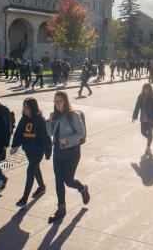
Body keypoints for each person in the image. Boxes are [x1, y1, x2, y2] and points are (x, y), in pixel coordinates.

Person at [46, 91, 90, 222]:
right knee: (58, 180)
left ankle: (82, 188)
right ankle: (61, 208)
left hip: (72, 152)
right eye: (55, 101)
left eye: (59, 100)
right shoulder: (56, 116)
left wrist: (68, 140)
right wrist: (49, 120)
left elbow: (81, 134)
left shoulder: (73, 115)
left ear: (65, 101)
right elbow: (49, 132)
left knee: (68, 181)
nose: (57, 103)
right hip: (58, 152)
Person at [11, 98, 52, 207]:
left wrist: (48, 152)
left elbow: (46, 137)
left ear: (33, 108)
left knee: (30, 171)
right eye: (24, 108)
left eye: (27, 108)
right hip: (28, 150)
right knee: (35, 168)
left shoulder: (40, 120)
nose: (25, 110)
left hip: (38, 150)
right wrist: (15, 145)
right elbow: (18, 133)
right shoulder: (23, 119)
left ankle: (24, 198)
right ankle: (42, 187)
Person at [132, 83, 153, 153]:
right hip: (143, 118)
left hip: (152, 118)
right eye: (144, 89)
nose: (145, 90)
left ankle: (148, 146)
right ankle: (150, 140)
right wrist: (134, 116)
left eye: (146, 89)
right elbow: (137, 106)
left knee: (150, 132)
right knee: (143, 132)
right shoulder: (140, 96)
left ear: (150, 89)